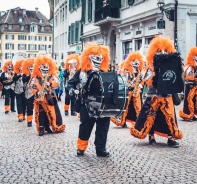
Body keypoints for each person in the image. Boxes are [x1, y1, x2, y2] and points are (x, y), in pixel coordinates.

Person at [129, 36, 183, 148]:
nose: (163, 53)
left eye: (165, 51)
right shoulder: (149, 67)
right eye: (159, 51)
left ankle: (171, 138)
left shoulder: (170, 67)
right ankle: (151, 136)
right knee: (150, 116)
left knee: (170, 117)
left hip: (167, 95)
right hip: (153, 95)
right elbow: (145, 79)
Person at [67, 42, 111, 157]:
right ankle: (81, 147)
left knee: (103, 128)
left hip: (102, 104)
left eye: (99, 56)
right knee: (85, 126)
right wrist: (72, 90)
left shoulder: (106, 72)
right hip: (86, 103)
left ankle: (100, 149)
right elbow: (71, 83)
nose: (97, 59)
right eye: (94, 56)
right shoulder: (81, 72)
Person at [28, 55, 66, 136]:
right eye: (43, 66)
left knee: (51, 113)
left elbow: (57, 84)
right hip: (40, 99)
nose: (45, 68)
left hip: (50, 98)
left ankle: (48, 127)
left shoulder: (52, 76)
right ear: (39, 67)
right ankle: (42, 128)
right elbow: (30, 87)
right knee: (41, 113)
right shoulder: (35, 77)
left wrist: (51, 84)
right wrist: (37, 92)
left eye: (47, 66)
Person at [111, 51, 144, 128]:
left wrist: (140, 85)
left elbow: (142, 80)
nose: (136, 63)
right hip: (128, 91)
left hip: (136, 91)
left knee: (139, 107)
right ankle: (122, 121)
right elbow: (123, 80)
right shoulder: (126, 71)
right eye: (134, 61)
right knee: (125, 107)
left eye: (137, 61)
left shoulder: (139, 72)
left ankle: (139, 123)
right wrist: (129, 85)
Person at [179, 47, 197, 121]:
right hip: (190, 85)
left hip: (195, 85)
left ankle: (193, 114)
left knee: (194, 101)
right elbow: (189, 76)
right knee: (189, 100)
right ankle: (188, 115)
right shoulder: (189, 66)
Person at [22, 58, 35, 127]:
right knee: (29, 107)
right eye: (30, 66)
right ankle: (29, 121)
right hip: (28, 93)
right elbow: (23, 80)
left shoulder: (36, 74)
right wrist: (30, 75)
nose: (31, 68)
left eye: (32, 66)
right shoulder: (25, 74)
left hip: (36, 93)